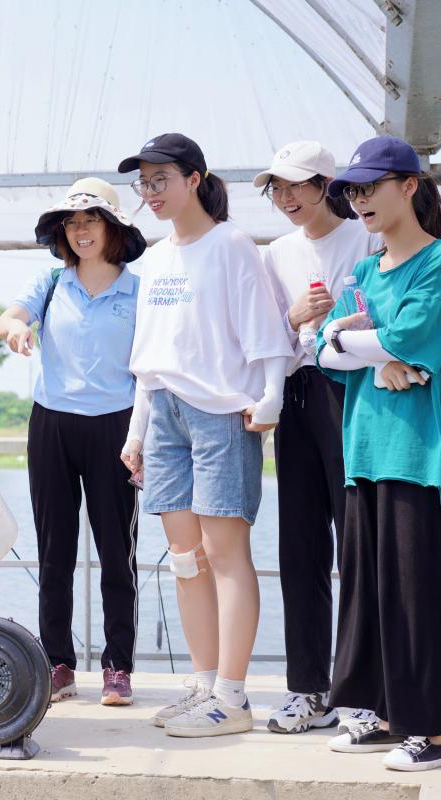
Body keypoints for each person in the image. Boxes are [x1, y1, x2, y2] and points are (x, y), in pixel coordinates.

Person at [118, 133, 292, 737]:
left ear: (195, 178)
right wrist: (137, 431)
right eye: (143, 183)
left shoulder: (231, 245)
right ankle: (203, 685)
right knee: (185, 561)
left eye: (160, 179)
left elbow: (265, 330)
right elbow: (149, 358)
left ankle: (233, 697)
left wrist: (270, 395)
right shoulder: (156, 259)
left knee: (224, 554)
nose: (151, 193)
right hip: (164, 411)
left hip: (222, 412)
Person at [0, 178, 147, 707]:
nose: (81, 231)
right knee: (53, 552)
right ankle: (57, 662)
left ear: (115, 228)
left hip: (118, 425)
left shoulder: (140, 286)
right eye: (72, 222)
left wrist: (143, 437)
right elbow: (8, 317)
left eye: (92, 220)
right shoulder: (51, 281)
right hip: (53, 424)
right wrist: (15, 329)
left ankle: (117, 666)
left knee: (116, 553)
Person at [316, 135, 441, 772]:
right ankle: (390, 715)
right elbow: (320, 346)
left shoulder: (437, 263)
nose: (361, 200)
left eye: (372, 187)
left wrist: (377, 345)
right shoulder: (364, 272)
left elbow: (412, 333)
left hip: (419, 454)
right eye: (354, 191)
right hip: (363, 449)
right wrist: (380, 354)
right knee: (370, 588)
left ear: (410, 185)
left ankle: (435, 729)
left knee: (419, 594)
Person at [252, 142, 380, 735]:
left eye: (297, 186)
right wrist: (295, 315)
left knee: (358, 543)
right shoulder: (275, 251)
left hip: (353, 394)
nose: (287, 198)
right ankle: (310, 688)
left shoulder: (365, 238)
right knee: (299, 548)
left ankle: (361, 690)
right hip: (299, 396)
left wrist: (335, 322)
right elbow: (267, 337)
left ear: (329, 182)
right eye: (277, 189)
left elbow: (381, 314)